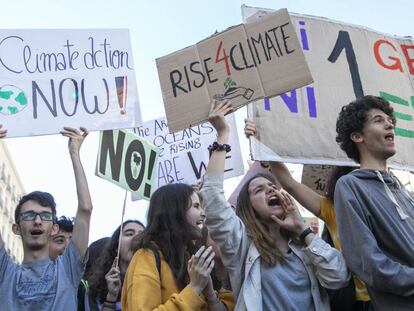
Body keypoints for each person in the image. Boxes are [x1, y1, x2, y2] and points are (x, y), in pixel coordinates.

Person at [201, 100, 350, 310]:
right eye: (259, 190)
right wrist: (223, 134)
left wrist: (303, 231)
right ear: (248, 209)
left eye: (271, 186)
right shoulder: (241, 249)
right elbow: (212, 197)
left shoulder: (304, 248)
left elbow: (339, 276)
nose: (270, 190)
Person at [244, 119, 369, 311]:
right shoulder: (333, 210)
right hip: (363, 300)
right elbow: (289, 183)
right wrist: (262, 144)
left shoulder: (388, 205)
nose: (354, 189)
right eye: (347, 184)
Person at [334, 95, 414, 311]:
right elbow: (368, 264)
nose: (389, 124)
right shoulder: (350, 186)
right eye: (379, 120)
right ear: (357, 136)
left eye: (390, 120)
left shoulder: (403, 190)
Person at [0, 126, 93, 311]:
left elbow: (85, 208)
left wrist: (75, 152)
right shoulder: (5, 272)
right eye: (28, 215)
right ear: (16, 228)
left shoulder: (68, 268)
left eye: (45, 216)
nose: (37, 221)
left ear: (54, 228)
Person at [122, 183, 232, 311]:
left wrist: (210, 295)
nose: (203, 213)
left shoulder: (193, 257)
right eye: (196, 206)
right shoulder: (146, 256)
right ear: (175, 212)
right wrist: (194, 288)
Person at [86, 220, 145, 310]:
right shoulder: (95, 290)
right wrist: (111, 297)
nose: (137, 237)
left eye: (142, 235)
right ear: (116, 247)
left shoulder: (159, 281)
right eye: (129, 234)